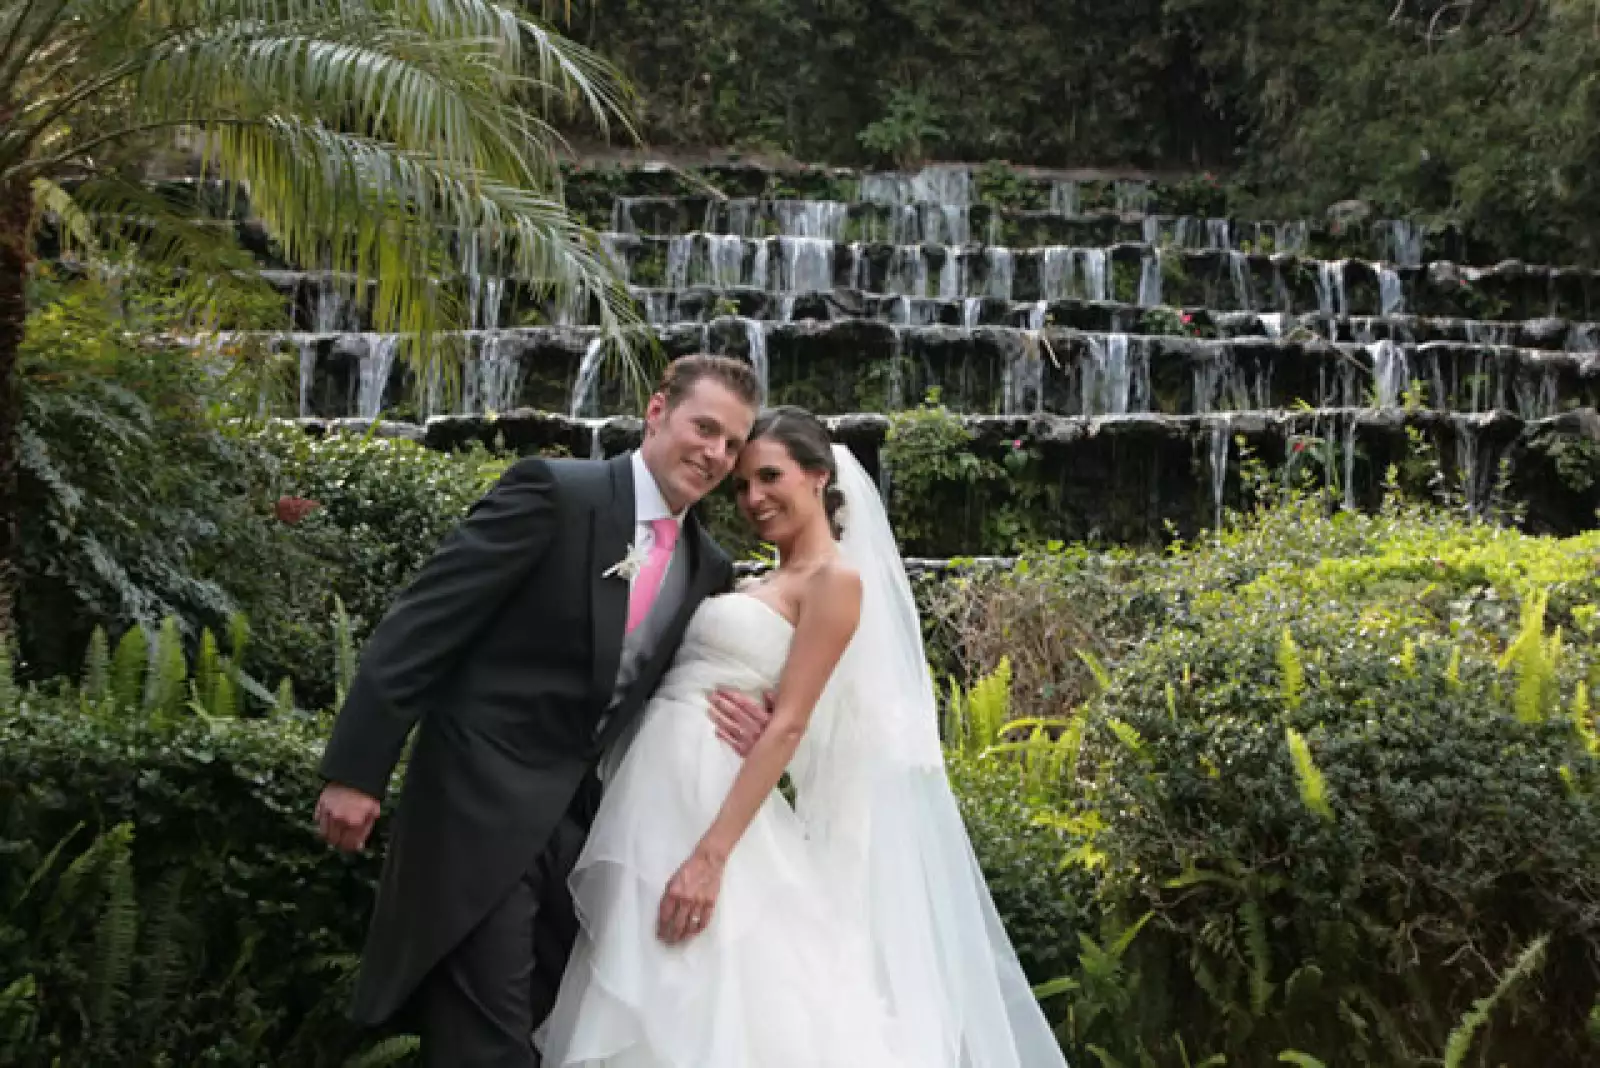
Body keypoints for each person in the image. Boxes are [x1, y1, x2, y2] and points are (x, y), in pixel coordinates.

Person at [539, 407, 1070, 1068]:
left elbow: (795, 721)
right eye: (741, 485)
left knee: (712, 1000)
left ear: (818, 476)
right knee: (655, 990)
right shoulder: (747, 575)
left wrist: (711, 858)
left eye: (770, 477)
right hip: (656, 798)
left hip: (711, 811)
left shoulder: (835, 582)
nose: (753, 498)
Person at [314, 354, 774, 1067]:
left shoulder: (707, 565)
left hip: (585, 833)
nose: (715, 453)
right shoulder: (555, 495)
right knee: (488, 1036)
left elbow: (674, 688)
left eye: (733, 444)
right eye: (703, 428)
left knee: (558, 1026)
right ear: (657, 413)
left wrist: (758, 717)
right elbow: (423, 625)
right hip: (476, 805)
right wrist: (356, 772)